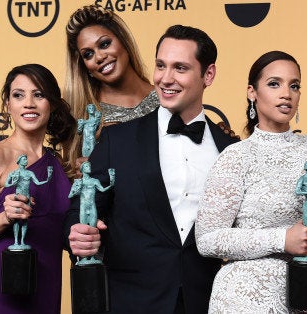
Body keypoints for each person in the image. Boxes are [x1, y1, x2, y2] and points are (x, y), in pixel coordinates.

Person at [64, 25, 239, 313]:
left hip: (209, 301)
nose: (165, 79)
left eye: (180, 68)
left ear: (208, 74)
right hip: (131, 301)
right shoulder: (115, 141)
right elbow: (77, 210)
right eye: (161, 65)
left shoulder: (231, 150)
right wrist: (76, 232)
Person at [195, 50, 307, 313]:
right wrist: (282, 239)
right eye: (274, 84)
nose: (286, 93)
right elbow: (208, 239)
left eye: (294, 85)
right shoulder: (236, 156)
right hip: (242, 299)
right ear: (252, 92)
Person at [0, 64, 76, 313]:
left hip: (45, 291)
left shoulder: (57, 163)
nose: (29, 104)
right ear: (8, 105)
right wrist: (4, 217)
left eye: (39, 94)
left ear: (52, 104)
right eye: (19, 95)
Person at [64, 5, 160, 175]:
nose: (100, 57)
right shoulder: (85, 116)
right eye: (88, 54)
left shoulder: (167, 98)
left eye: (105, 44)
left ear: (124, 41)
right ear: (84, 67)